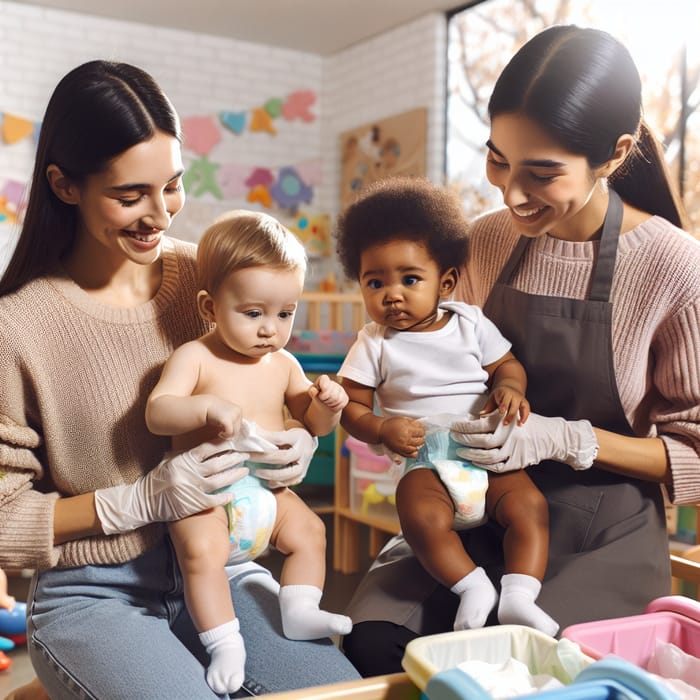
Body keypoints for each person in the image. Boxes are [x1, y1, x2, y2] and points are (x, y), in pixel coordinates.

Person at [341, 24, 700, 677]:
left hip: (600, 532)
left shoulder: (674, 269)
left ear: (614, 155)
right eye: (497, 158)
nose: (509, 193)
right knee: (376, 643)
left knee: (519, 668)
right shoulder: (483, 241)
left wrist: (570, 439)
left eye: (541, 173)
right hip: (475, 500)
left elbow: (696, 457)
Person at [0, 60, 360, 699]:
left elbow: (270, 375)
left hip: (227, 568)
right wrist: (139, 501)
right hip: (95, 593)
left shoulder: (210, 274)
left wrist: (298, 441)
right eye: (129, 195)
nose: (160, 214)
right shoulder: (17, 328)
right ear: (64, 185)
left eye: (172, 185)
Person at [335, 176, 558, 637]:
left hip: (484, 451)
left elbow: (507, 366)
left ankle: (519, 595)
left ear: (447, 282)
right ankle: (472, 586)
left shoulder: (470, 324)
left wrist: (510, 389)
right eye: (374, 282)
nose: (391, 294)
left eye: (410, 279)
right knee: (418, 515)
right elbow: (350, 408)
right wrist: (380, 429)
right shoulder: (374, 342)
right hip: (426, 460)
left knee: (529, 506)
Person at [145, 210, 352, 694]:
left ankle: (299, 609)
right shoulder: (195, 356)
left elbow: (311, 421)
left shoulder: (283, 363)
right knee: (202, 552)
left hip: (266, 488)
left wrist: (329, 407)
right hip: (208, 493)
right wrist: (203, 408)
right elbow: (159, 412)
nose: (270, 329)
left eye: (285, 314)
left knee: (310, 530)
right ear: (210, 307)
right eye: (254, 313)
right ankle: (225, 640)